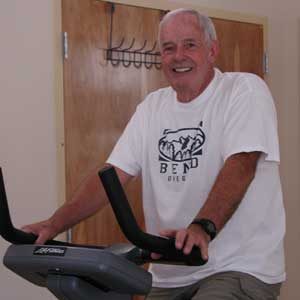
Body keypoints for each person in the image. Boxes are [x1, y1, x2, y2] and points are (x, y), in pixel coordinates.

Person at [23, 8, 285, 300]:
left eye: (190, 45)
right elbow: (112, 175)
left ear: (212, 50)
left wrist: (203, 226)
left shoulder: (243, 90)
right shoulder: (152, 107)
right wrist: (54, 224)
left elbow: (242, 164)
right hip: (170, 271)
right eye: (168, 48)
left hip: (238, 267)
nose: (178, 56)